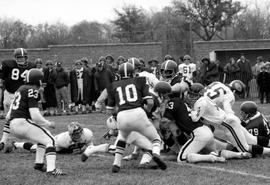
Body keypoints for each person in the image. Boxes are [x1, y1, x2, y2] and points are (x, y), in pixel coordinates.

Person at [106, 62, 167, 173]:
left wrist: (119, 111)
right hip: (137, 112)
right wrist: (146, 111)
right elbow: (149, 102)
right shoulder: (140, 80)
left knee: (123, 138)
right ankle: (156, 154)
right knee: (156, 138)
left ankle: (116, 164)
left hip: (122, 115)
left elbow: (109, 109)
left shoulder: (112, 85)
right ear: (133, 72)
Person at [5, 68, 65, 176]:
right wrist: (48, 123)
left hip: (13, 125)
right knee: (51, 140)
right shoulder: (32, 90)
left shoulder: (21, 88)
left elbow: (8, 115)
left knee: (41, 139)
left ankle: (39, 164)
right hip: (22, 123)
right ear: (37, 80)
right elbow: (35, 115)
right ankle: (51, 170)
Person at [188, 83, 270, 157]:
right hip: (230, 120)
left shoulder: (201, 102)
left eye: (193, 95)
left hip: (228, 124)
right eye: (190, 95)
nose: (191, 97)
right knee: (251, 139)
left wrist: (191, 109)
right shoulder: (205, 99)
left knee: (244, 149)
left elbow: (195, 119)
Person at [155, 81, 227, 163]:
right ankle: (239, 154)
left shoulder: (172, 103)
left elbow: (164, 124)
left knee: (181, 159)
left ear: (163, 94)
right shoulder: (181, 101)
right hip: (206, 131)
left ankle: (211, 157)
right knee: (218, 150)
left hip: (199, 134)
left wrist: (173, 146)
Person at [0, 48, 36, 150]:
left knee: (10, 118)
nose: (21, 60)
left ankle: (3, 141)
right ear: (15, 58)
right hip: (8, 93)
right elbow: (1, 76)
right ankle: (7, 142)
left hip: (21, 96)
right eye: (19, 58)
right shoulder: (7, 64)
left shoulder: (31, 66)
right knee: (9, 119)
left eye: (23, 58)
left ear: (26, 58)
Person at [12, 122, 93, 154]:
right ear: (71, 135)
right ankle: (16, 144)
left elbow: (90, 145)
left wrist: (89, 148)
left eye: (79, 132)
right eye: (75, 134)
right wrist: (76, 150)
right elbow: (62, 151)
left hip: (65, 144)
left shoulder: (88, 134)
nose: (78, 135)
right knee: (36, 149)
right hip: (56, 143)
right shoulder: (64, 140)